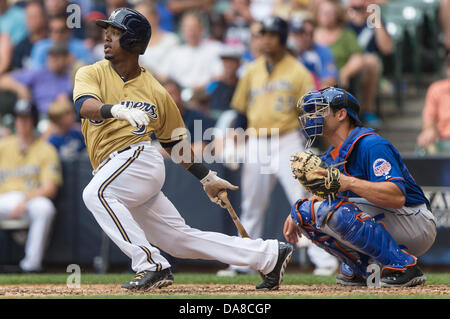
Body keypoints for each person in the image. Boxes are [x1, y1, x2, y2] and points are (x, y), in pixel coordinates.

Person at [73, 7, 293, 291]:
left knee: (96, 193)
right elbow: (84, 106)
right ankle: (268, 255)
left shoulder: (155, 90)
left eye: (115, 33)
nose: (107, 37)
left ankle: (150, 265)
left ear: (134, 43)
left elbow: (174, 142)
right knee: (178, 239)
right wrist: (114, 109)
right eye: (108, 31)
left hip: (138, 158)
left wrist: (206, 177)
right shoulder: (92, 72)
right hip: (115, 169)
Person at [217, 16, 337, 276]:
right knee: (252, 205)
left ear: (282, 38)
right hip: (257, 140)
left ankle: (325, 261)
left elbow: (311, 112)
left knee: (303, 201)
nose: (265, 40)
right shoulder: (252, 69)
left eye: (271, 35)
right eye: (263, 35)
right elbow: (240, 110)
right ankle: (244, 261)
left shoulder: (298, 70)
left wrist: (310, 144)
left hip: (287, 140)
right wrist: (236, 136)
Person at [284, 87, 437, 287]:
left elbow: (397, 197)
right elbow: (318, 202)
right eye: (311, 111)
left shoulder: (371, 144)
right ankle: (362, 267)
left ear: (341, 114)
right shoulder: (329, 157)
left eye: (320, 110)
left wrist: (347, 182)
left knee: (334, 208)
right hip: (385, 219)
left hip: (414, 221)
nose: (312, 116)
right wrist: (298, 212)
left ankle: (402, 265)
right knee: (303, 211)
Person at [0, 100, 62, 273]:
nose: (21, 123)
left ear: (34, 121)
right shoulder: (3, 145)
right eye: (19, 118)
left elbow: (50, 188)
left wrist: (25, 201)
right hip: (4, 200)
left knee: (45, 208)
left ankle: (31, 265)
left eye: (26, 119)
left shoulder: (46, 149)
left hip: (29, 200)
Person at [346, 0, 393, 128]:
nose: (361, 6)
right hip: (346, 62)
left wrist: (376, 20)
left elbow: (387, 48)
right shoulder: (343, 18)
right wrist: (346, 17)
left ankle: (367, 111)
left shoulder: (375, 19)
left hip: (368, 66)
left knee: (372, 61)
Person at [0, 42, 74, 115]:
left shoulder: (71, 77)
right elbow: (3, 79)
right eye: (51, 56)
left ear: (66, 58)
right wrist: (20, 88)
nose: (53, 60)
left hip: (58, 117)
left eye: (57, 57)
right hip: (35, 116)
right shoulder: (39, 74)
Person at [158, 11, 223, 90]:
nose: (191, 31)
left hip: (208, 93)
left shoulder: (215, 48)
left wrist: (203, 87)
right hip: (181, 95)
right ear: (182, 30)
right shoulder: (174, 52)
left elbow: (220, 74)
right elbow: (162, 75)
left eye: (194, 27)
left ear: (202, 29)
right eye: (187, 27)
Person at [313, 0, 364, 94]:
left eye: (330, 13)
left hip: (336, 81)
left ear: (337, 15)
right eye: (323, 12)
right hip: (312, 79)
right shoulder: (309, 34)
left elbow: (358, 58)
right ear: (317, 14)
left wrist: (345, 72)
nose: (326, 15)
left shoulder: (346, 34)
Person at [29, 14, 93, 69]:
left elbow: (90, 68)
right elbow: (34, 71)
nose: (58, 35)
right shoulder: (40, 47)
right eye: (54, 31)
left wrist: (75, 63)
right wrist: (50, 67)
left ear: (69, 32)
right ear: (49, 33)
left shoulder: (81, 46)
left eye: (62, 31)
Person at [289, 16, 338, 89]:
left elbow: (329, 81)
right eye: (302, 33)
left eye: (311, 34)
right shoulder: (286, 53)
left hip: (313, 95)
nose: (307, 37)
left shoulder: (322, 51)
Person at [135, 1, 180, 78]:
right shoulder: (132, 42)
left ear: (155, 16)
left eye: (143, 16)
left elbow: (173, 68)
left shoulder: (171, 40)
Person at [416, 54, 450, 153]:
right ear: (448, 70)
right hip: (443, 142)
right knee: (424, 144)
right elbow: (428, 122)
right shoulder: (436, 89)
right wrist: (429, 131)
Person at [10, 0, 48, 70]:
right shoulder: (21, 47)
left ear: (44, 18)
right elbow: (15, 73)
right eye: (29, 17)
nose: (31, 21)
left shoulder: (53, 42)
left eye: (35, 17)